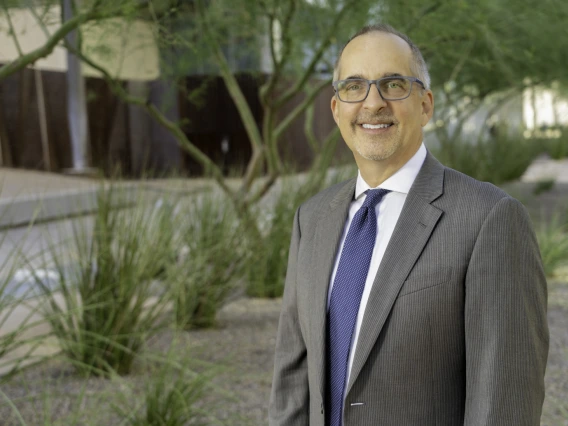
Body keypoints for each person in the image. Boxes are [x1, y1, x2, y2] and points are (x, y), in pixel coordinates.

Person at [269, 23, 549, 426]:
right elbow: (291, 380)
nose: (373, 103)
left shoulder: (489, 218)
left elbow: (504, 402)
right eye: (354, 87)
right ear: (336, 109)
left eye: (393, 84)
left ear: (426, 104)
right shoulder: (311, 219)